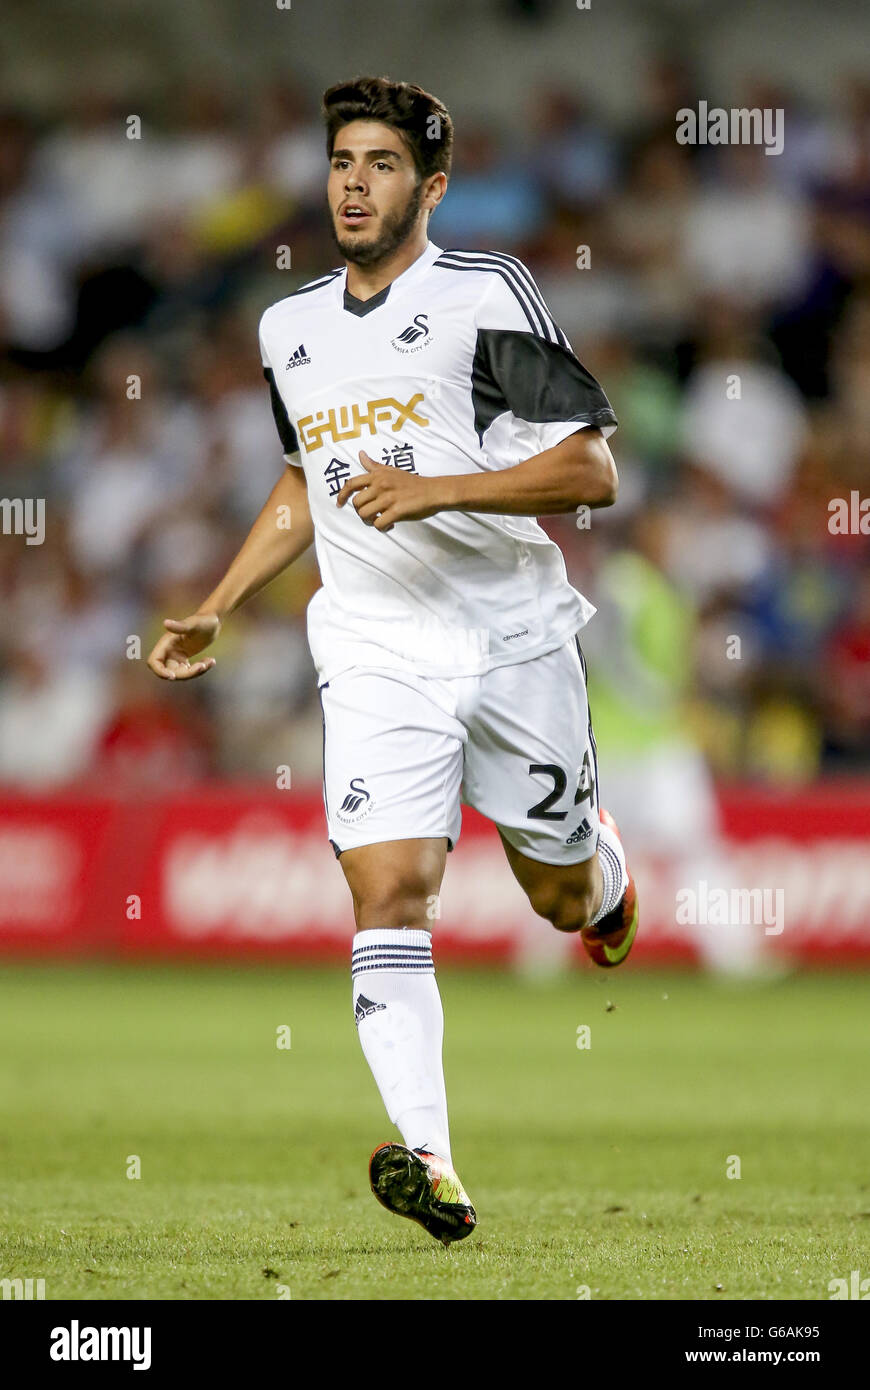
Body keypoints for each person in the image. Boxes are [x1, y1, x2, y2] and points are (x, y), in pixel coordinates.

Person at [147, 76, 638, 1247]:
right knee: (387, 889)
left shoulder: (484, 296)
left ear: (433, 186)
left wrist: (439, 489)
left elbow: (591, 471)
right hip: (373, 644)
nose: (353, 183)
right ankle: (435, 1159)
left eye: (378, 164)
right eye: (339, 163)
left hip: (512, 635)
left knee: (558, 892)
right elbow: (302, 479)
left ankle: (607, 874)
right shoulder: (290, 327)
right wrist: (220, 601)